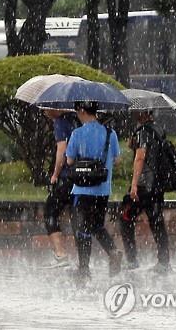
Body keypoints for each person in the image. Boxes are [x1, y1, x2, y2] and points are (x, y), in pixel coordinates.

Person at [66, 101, 122, 286]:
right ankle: (113, 251)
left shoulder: (77, 133)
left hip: (82, 190)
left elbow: (69, 160)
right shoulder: (110, 133)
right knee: (97, 225)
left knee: (82, 229)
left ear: (82, 111)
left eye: (77, 111)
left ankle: (83, 270)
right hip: (102, 189)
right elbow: (117, 159)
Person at [120, 110, 171, 274]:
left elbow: (140, 157)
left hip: (143, 186)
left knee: (125, 218)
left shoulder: (142, 132)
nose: (134, 113)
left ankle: (132, 259)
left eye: (136, 111)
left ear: (142, 113)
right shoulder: (159, 130)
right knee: (157, 222)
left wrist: (134, 185)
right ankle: (164, 262)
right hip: (157, 185)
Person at [42, 110, 78, 268]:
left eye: (46, 108)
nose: (44, 111)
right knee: (78, 216)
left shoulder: (60, 122)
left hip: (66, 177)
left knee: (50, 212)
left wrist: (55, 174)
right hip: (81, 176)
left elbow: (62, 150)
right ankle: (84, 258)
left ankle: (61, 254)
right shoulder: (77, 119)